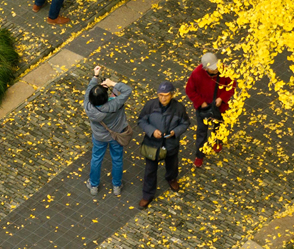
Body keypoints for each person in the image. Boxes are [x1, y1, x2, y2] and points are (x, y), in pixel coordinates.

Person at [137, 81, 190, 209]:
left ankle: (171, 178)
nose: (163, 98)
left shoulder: (179, 108)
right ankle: (147, 195)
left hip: (170, 143)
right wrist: (151, 131)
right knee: (150, 170)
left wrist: (175, 132)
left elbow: (185, 123)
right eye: (161, 95)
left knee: (172, 164)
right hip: (152, 145)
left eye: (166, 95)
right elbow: (141, 120)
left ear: (172, 95)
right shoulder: (150, 105)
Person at [84, 66, 133, 196]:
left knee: (96, 158)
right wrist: (112, 83)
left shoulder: (88, 105)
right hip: (116, 135)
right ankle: (116, 186)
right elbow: (127, 90)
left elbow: (89, 89)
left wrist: (95, 76)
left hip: (99, 136)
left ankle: (93, 185)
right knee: (117, 159)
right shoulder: (114, 104)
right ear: (106, 97)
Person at [185, 52, 236, 168]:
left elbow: (232, 85)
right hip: (203, 108)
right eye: (213, 69)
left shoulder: (224, 70)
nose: (216, 70)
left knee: (219, 126)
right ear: (205, 68)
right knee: (202, 133)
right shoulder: (196, 74)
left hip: (219, 107)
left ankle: (217, 141)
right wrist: (201, 102)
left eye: (217, 67)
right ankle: (199, 155)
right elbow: (189, 90)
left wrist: (222, 98)